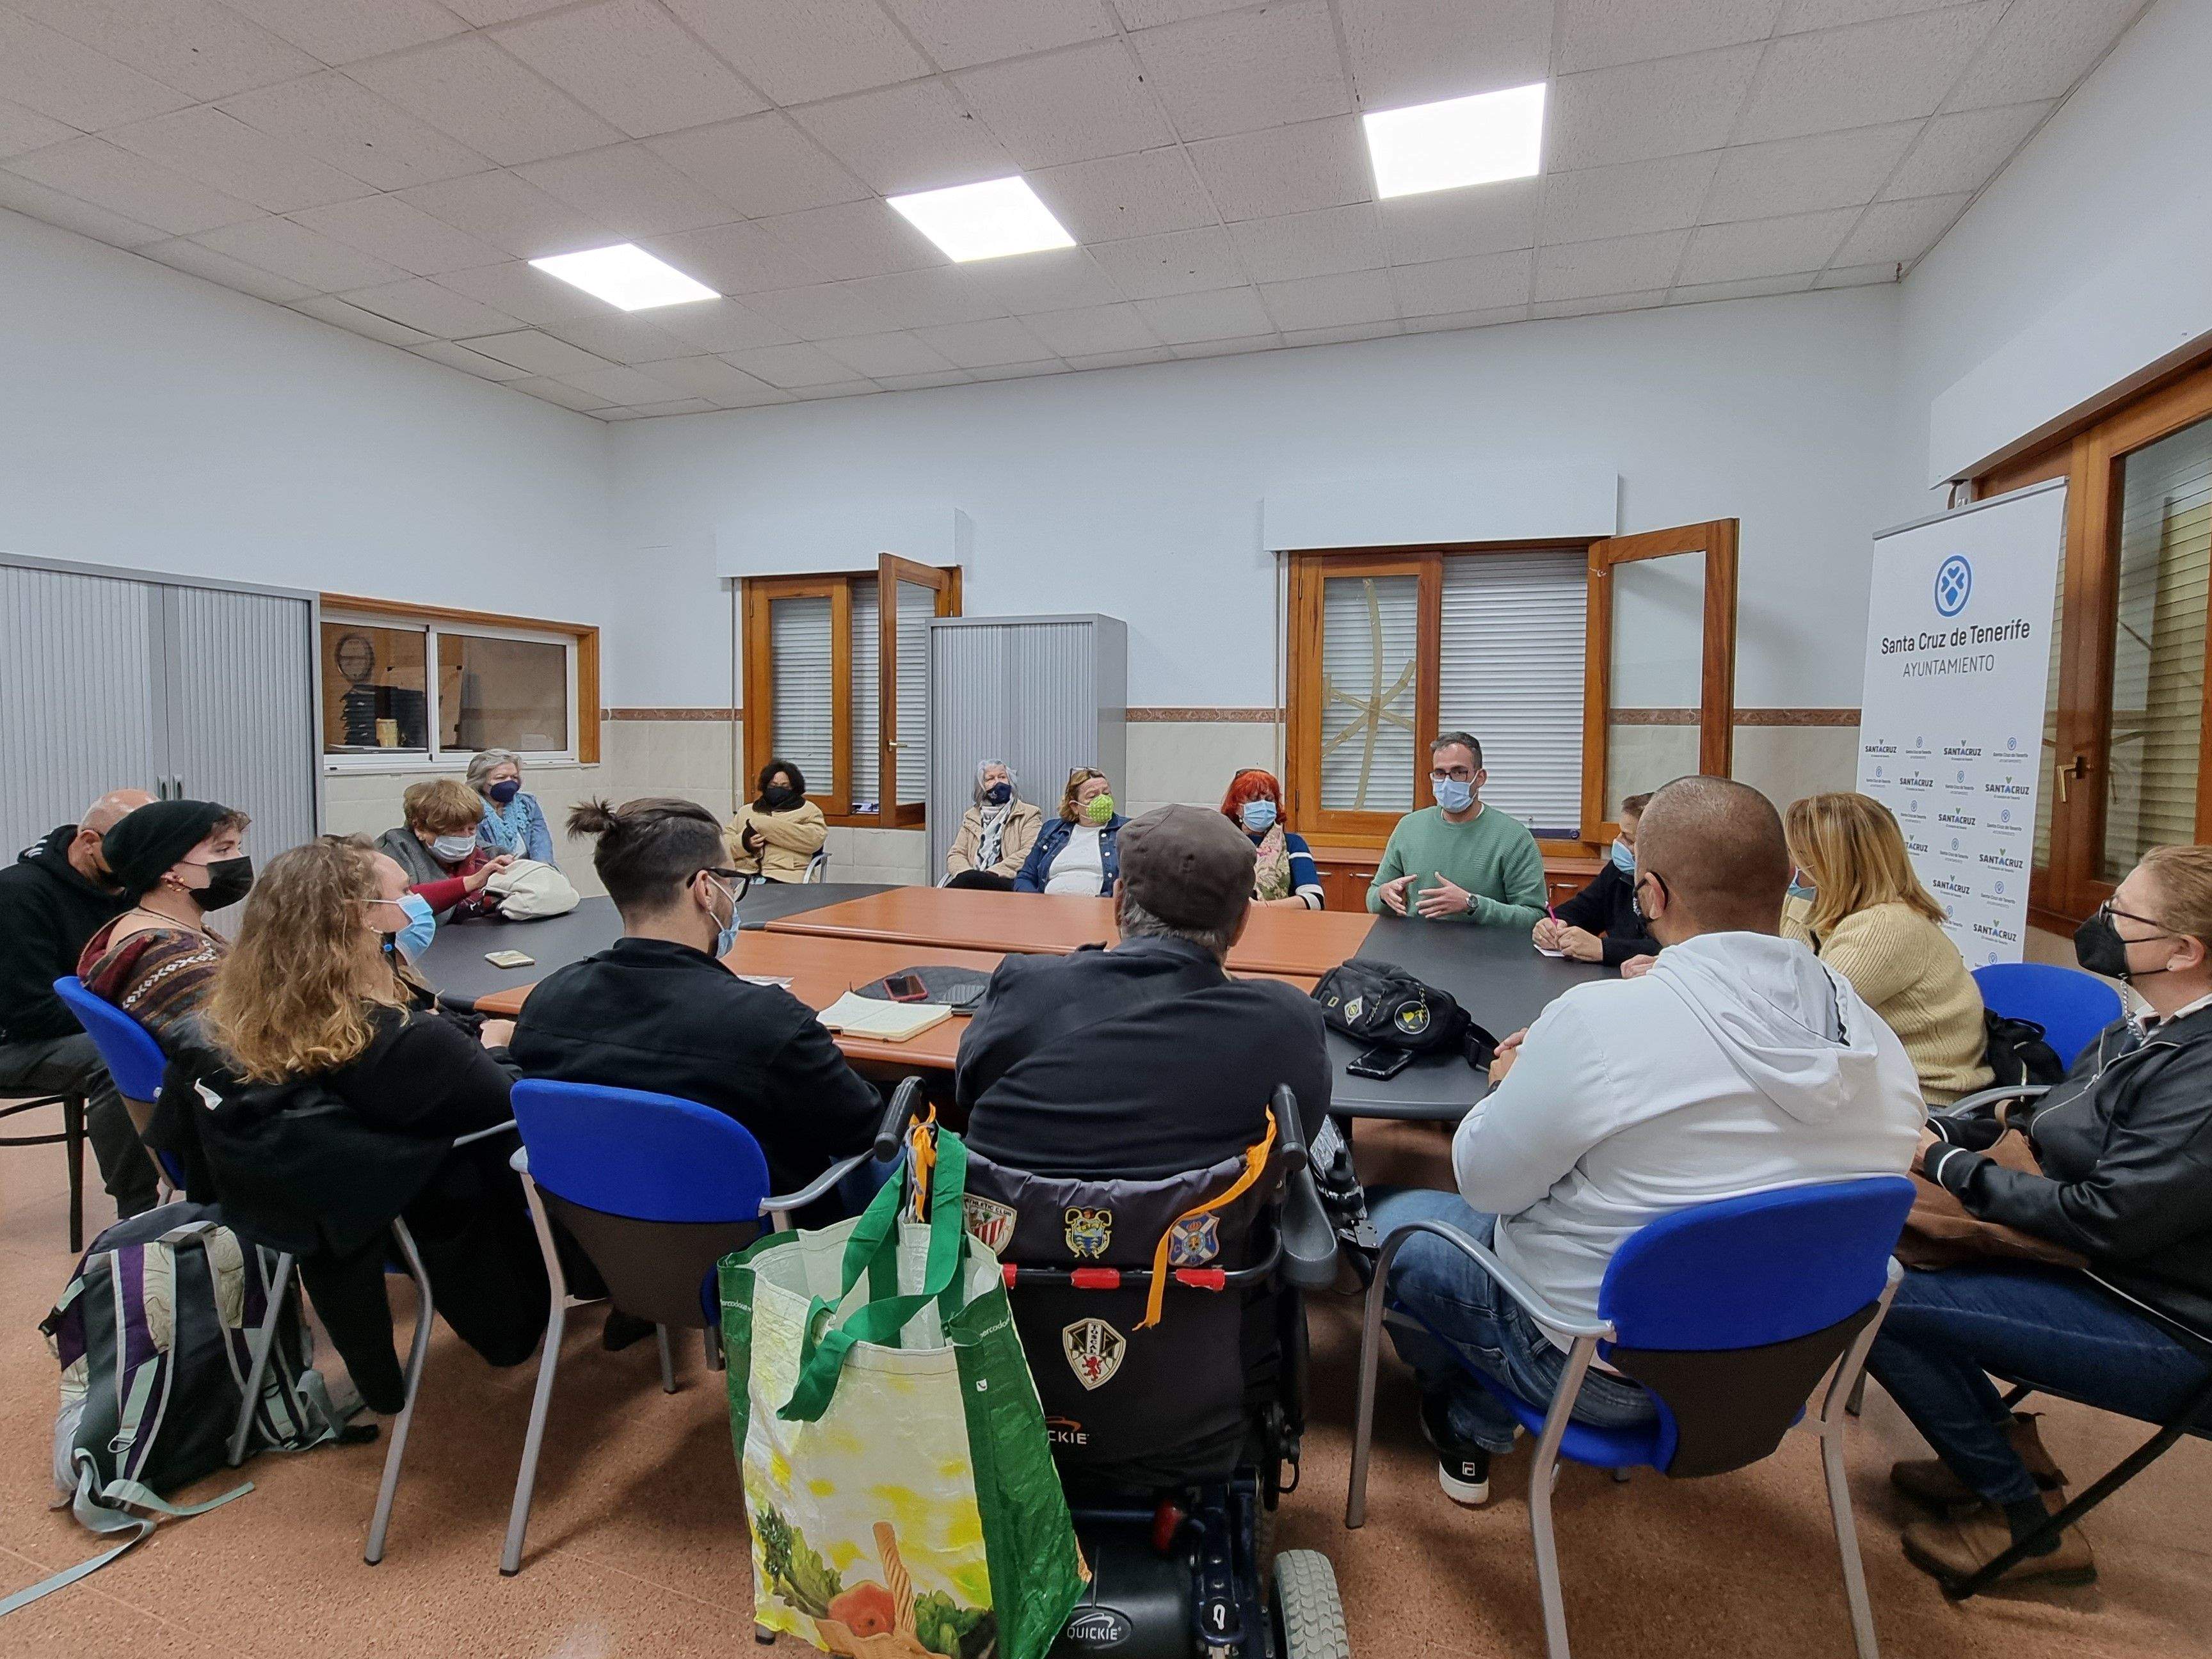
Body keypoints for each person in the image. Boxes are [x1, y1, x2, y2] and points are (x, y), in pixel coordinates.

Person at [1371, 776, 1923, 1505]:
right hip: (1780, 1371)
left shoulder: (1600, 1024)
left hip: (1592, 1376)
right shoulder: (1876, 1039)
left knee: (1387, 1220)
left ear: (1652, 896)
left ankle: (1471, 1411)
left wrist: (1512, 1083)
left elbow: (1485, 1183)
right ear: (1789, 882)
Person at [1869, 844, 2212, 1591]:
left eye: (2121, 913)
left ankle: (2023, 1523)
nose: (2102, 924)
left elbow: (2105, 1218)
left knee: (1873, 1295)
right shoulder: (2148, 1023)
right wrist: (1954, 1137)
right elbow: (2052, 1127)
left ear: (2183, 950)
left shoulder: (2203, 1073)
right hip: (2088, 1265)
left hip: (2167, 1326)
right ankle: (1996, 1451)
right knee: (1871, 1252)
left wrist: (1952, 1167)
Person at [198, 835, 547, 1386]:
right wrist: (498, 1043)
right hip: (459, 1204)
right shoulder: (405, 1043)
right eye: (403, 895)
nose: (414, 903)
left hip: (360, 1209)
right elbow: (516, 1103)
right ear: (363, 919)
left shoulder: (258, 1012)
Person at [511, 798, 881, 1212]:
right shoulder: (768, 1023)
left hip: (596, 1254)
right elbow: (864, 1131)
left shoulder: (548, 1001)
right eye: (732, 880)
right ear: (706, 888)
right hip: (764, 1259)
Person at [962, 804, 1330, 1176]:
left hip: (1012, 1229)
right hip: (1210, 1232)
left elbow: (968, 1094)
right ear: (1241, 925)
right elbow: (1298, 1146)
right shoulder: (1290, 1023)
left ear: (1118, 902)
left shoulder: (1023, 986)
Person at [0, 789, 159, 1219]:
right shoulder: (18, 894)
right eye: (129, 850)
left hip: (74, 1023)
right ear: (89, 841)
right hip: (16, 1039)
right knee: (117, 1056)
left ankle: (215, 1187)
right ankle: (139, 1214)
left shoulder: (123, 886)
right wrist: (132, 1019)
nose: (142, 864)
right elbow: (30, 1013)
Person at [1783, 791, 1992, 1105]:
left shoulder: (1886, 927)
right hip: (1871, 1084)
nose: (1789, 863)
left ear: (1831, 865)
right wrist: (1796, 903)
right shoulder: (1825, 909)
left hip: (1928, 1103)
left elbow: (1802, 1023)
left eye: (1796, 853)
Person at [77, 798, 252, 1052]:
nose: (240, 859)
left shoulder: (153, 927)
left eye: (238, 848)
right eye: (223, 850)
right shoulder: (170, 956)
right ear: (169, 871)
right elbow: (247, 1038)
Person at [1367, 732, 1547, 926]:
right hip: (1417, 946)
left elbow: (1535, 917)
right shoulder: (1409, 827)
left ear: (1480, 778)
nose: (1447, 782)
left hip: (1486, 950)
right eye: (1439, 773)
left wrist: (1473, 905)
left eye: (1458, 772)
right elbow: (1373, 897)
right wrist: (1384, 895)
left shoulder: (1514, 838)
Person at [1533, 792, 1658, 967]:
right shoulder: (1618, 871)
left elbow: (1669, 949)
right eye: (1619, 832)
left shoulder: (1678, 888)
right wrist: (1551, 925)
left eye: (1628, 838)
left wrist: (1603, 949)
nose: (1617, 841)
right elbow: (1583, 909)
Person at [377, 778, 512, 924]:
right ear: (420, 828)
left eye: (471, 828)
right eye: (454, 831)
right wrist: (471, 883)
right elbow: (397, 902)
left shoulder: (486, 854)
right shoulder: (394, 850)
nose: (466, 837)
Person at [1220, 769, 1324, 909]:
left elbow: (1315, 900)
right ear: (1238, 808)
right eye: (1255, 799)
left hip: (1281, 923)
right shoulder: (1223, 843)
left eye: (1269, 800)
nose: (1263, 805)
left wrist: (1265, 908)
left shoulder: (1292, 844)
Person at [1014, 767, 1126, 896]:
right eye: (1092, 796)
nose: (1102, 800)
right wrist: (1037, 904)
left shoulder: (1127, 831)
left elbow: (1135, 884)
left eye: (1106, 794)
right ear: (1075, 806)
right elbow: (1025, 877)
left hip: (1099, 909)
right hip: (1047, 909)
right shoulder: (1052, 830)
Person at [944, 760, 1043, 891]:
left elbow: (1030, 852)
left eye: (1002, 777)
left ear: (1010, 782)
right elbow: (956, 853)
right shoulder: (972, 816)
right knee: (969, 881)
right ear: (982, 786)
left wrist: (992, 872)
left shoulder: (1028, 813)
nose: (998, 782)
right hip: (970, 880)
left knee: (968, 882)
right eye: (990, 779)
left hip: (1008, 879)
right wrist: (965, 873)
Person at [727, 758, 828, 883]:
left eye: (785, 787)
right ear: (765, 787)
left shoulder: (808, 810)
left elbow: (814, 840)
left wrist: (763, 826)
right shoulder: (746, 811)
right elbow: (724, 847)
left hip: (787, 876)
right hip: (745, 876)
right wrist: (745, 843)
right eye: (773, 786)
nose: (778, 790)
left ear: (794, 788)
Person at [470, 748, 556, 865]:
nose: (509, 782)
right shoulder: (470, 809)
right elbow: (478, 848)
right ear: (481, 781)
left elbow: (541, 844)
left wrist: (540, 870)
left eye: (514, 777)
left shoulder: (528, 804)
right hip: (493, 873)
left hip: (532, 871)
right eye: (501, 778)